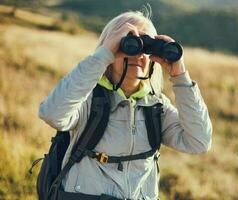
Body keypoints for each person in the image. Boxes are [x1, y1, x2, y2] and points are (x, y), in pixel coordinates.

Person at [39, 9, 212, 200]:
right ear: (111, 49)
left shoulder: (155, 107)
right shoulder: (88, 99)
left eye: (146, 48)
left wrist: (180, 75)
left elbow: (199, 142)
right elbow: (52, 114)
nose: (138, 54)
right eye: (129, 44)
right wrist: (102, 56)